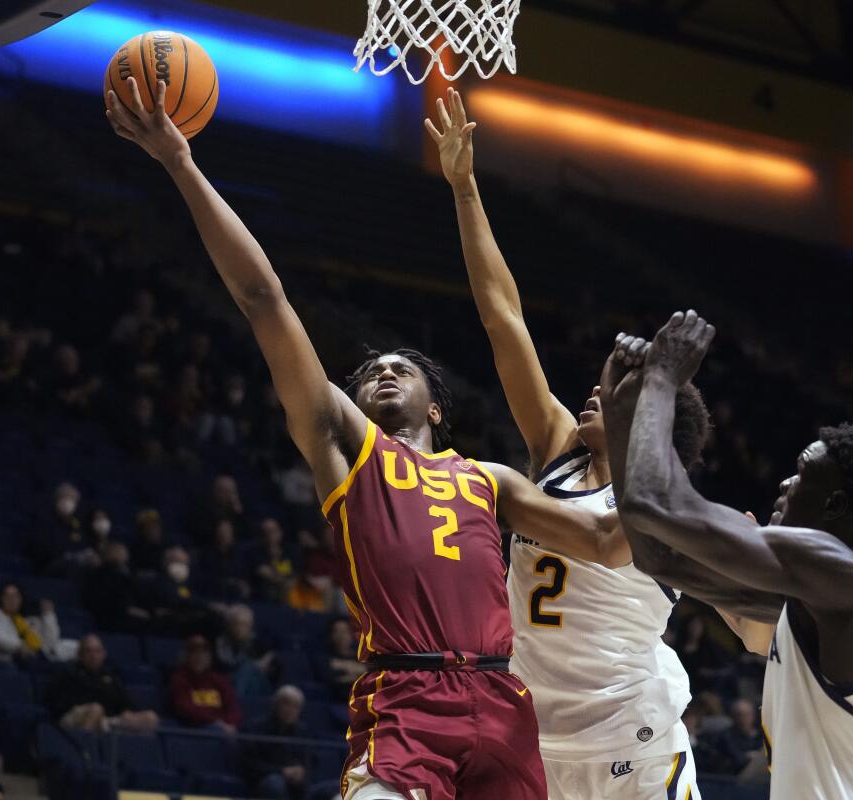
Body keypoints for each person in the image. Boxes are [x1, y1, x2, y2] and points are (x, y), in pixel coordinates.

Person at [107, 78, 629, 800]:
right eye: (369, 373)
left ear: (437, 408)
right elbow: (264, 299)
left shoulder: (491, 479)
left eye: (401, 368)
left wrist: (656, 459)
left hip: (505, 705)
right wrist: (181, 164)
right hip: (407, 700)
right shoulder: (348, 456)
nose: (383, 372)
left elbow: (606, 543)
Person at [429, 88, 768, 799]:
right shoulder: (557, 447)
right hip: (533, 743)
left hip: (636, 747)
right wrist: (464, 190)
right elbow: (502, 322)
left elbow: (626, 546)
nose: (593, 391)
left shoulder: (670, 502)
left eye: (619, 393)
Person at [599, 311, 853, 800]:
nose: (786, 482)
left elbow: (655, 503)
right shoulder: (826, 601)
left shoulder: (851, 578)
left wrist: (664, 378)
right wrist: (623, 415)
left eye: (802, 471)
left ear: (834, 504)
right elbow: (658, 557)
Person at [45, 634, 160, 733]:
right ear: (80, 654)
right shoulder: (68, 673)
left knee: (150, 718)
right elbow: (57, 703)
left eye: (97, 651)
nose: (93, 656)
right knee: (96, 709)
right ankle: (83, 754)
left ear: (104, 654)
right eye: (88, 651)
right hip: (73, 718)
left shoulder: (110, 676)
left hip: (107, 719)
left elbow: (125, 701)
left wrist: (127, 712)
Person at [0, 582, 77, 664]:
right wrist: (19, 646)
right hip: (5, 660)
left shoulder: (26, 620)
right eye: (7, 596)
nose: (12, 600)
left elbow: (50, 643)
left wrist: (48, 615)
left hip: (37, 659)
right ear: (0, 598)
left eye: (16, 596)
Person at [242, 685, 311, 799]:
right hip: (263, 780)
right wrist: (281, 771)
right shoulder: (255, 728)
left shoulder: (302, 733)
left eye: (296, 707)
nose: (291, 710)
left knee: (330, 787)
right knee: (274, 783)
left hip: (296, 784)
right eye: (286, 704)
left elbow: (310, 760)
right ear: (276, 704)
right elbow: (250, 765)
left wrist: (302, 771)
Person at [168, 634, 241, 733]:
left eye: (204, 653)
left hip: (224, 729)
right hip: (195, 729)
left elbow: (233, 707)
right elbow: (185, 709)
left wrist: (231, 724)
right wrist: (216, 722)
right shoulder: (179, 679)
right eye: (194, 653)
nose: (199, 657)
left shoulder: (220, 680)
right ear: (187, 656)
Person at [215, 604, 274, 697]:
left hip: (255, 687)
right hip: (226, 683)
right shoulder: (220, 643)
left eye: (244, 624)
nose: (240, 628)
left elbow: (268, 670)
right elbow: (223, 665)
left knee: (249, 670)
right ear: (229, 625)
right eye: (236, 623)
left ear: (250, 626)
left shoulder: (259, 645)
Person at [247, 518, 297, 603]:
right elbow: (265, 574)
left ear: (280, 533)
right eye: (266, 532)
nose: (270, 535)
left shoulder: (290, 552)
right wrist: (283, 579)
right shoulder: (256, 553)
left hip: (288, 593)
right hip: (264, 593)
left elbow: (296, 575)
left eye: (273, 531)